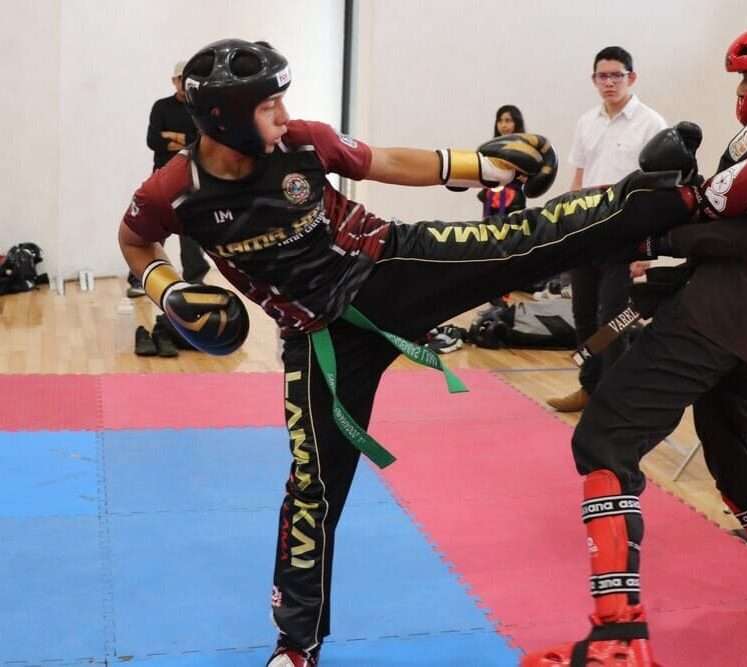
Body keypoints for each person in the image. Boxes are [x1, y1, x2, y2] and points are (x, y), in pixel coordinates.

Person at [117, 39, 711, 667]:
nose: (284, 116)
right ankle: (295, 646)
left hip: (388, 268)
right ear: (227, 120)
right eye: (269, 107)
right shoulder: (173, 190)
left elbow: (385, 161)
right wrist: (168, 289)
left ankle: (672, 199)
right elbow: (134, 240)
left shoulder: (302, 143)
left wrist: (482, 166)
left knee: (517, 242)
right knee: (312, 492)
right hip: (317, 338)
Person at [523, 23, 747, 667]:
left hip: (718, 311)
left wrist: (659, 239)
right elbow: (743, 222)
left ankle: (618, 640)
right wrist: (678, 231)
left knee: (605, 439)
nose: (743, 88)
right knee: (731, 461)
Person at [547, 46, 667, 413]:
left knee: (613, 320)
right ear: (594, 79)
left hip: (626, 237)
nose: (610, 82)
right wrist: (566, 230)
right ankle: (590, 387)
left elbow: (660, 192)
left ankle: (615, 399)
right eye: (603, 76)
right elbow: (579, 180)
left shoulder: (652, 124)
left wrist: (647, 249)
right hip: (587, 233)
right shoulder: (587, 121)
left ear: (632, 77)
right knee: (583, 315)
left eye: (617, 75)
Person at [127, 60, 209, 298]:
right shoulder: (161, 107)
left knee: (191, 233)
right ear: (174, 81)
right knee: (150, 229)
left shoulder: (201, 108)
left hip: (192, 177)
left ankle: (195, 281)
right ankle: (139, 279)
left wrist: (172, 137)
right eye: (180, 78)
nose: (184, 82)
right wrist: (186, 139)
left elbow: (202, 141)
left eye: (188, 78)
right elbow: (153, 140)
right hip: (162, 178)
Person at [477, 104, 528, 217]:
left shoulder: (524, 148)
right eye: (500, 121)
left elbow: (529, 178)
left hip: (513, 199)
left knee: (513, 227)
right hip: (491, 198)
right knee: (489, 227)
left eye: (508, 121)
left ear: (516, 122)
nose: (503, 125)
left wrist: (524, 177)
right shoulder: (490, 148)